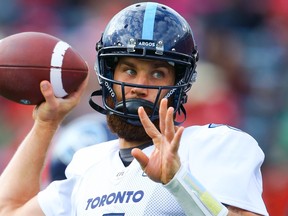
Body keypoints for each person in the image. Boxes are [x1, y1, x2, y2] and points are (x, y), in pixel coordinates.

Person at [0, 2, 268, 216]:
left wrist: (180, 183)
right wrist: (46, 123)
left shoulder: (215, 144)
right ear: (108, 76)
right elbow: (9, 210)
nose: (140, 85)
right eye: (130, 70)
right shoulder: (87, 163)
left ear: (179, 85)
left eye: (158, 73)